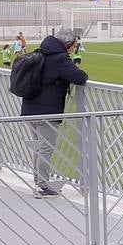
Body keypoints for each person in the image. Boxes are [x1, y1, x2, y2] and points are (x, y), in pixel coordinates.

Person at [21, 27, 89, 197]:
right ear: (68, 44)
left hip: (30, 107)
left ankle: (39, 182)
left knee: (38, 147)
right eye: (74, 46)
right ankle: (42, 186)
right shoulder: (59, 58)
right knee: (45, 148)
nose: (74, 49)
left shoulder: (41, 52)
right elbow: (80, 77)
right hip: (47, 111)